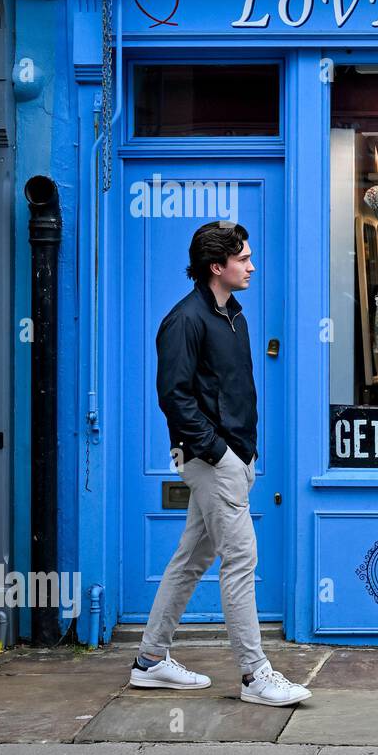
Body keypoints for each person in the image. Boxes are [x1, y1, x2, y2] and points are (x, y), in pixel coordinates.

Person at [129, 221, 311, 707]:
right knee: (241, 560)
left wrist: (244, 454)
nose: (251, 265)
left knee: (191, 559)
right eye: (243, 259)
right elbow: (174, 397)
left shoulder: (235, 316)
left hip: (234, 458)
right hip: (211, 460)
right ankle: (255, 676)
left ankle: (149, 660)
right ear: (217, 267)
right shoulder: (185, 320)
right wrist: (219, 453)